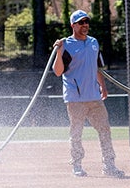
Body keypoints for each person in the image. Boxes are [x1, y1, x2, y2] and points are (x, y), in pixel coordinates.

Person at [53, 10, 125, 178]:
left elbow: (97, 68)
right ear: (73, 25)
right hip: (75, 98)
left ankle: (109, 166)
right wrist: (58, 51)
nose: (85, 25)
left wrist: (103, 87)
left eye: (86, 22)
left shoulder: (93, 43)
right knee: (76, 133)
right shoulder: (66, 45)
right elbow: (58, 72)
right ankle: (77, 165)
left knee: (105, 130)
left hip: (94, 97)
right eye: (81, 22)